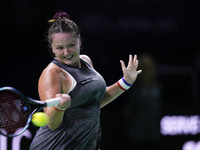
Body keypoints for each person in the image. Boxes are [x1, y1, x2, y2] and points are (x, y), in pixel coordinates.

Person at [29, 11, 142, 150]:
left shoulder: (86, 61)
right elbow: (52, 123)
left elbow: (93, 103)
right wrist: (60, 107)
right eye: (59, 48)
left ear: (79, 41)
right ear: (52, 48)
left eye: (71, 45)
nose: (66, 52)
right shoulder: (52, 73)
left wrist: (126, 82)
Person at [123, 53, 162, 150]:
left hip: (154, 137)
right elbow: (127, 113)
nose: (149, 70)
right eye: (146, 66)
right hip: (137, 138)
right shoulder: (134, 89)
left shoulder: (158, 88)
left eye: (151, 66)